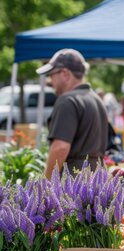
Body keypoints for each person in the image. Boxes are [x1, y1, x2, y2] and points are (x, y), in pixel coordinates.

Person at [37, 49, 109, 179]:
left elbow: (60, 147)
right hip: (99, 180)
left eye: (51, 75)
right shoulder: (97, 99)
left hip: (73, 183)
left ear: (65, 73)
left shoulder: (67, 101)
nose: (50, 80)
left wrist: (46, 183)